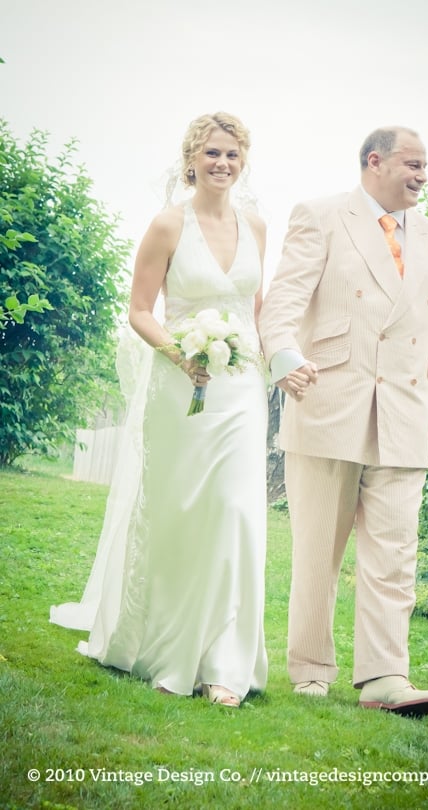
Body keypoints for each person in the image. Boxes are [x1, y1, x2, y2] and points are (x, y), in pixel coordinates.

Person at [51, 112, 268, 708]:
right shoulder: (168, 225)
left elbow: (258, 306)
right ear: (191, 159)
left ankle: (224, 661)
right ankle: (165, 643)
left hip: (243, 390)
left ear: (242, 162)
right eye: (213, 153)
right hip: (181, 389)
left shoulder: (255, 225)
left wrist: (281, 363)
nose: (223, 163)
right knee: (180, 512)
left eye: (233, 155)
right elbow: (141, 308)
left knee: (235, 511)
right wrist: (181, 354)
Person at [258, 126, 428, 716]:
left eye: (426, 165)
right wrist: (283, 356)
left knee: (396, 554)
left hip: (407, 412)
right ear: (376, 161)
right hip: (328, 403)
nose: (423, 175)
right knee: (318, 551)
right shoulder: (320, 216)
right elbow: (285, 300)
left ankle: (384, 678)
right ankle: (311, 669)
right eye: (413, 164)